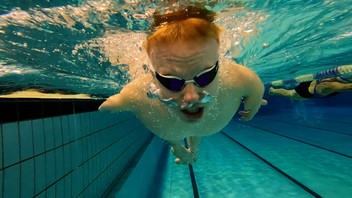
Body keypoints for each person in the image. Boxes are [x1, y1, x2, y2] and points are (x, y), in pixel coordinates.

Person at [99, 5, 266, 165]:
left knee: (192, 124)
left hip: (184, 127)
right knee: (174, 133)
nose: (191, 96)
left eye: (205, 76)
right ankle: (178, 147)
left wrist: (255, 102)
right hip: (171, 130)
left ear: (218, 65)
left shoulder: (239, 78)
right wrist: (113, 104)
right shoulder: (137, 94)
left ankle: (194, 148)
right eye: (172, 81)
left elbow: (256, 86)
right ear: (153, 77)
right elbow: (119, 100)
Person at [268, 76, 352, 100]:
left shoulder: (331, 86)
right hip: (312, 82)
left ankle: (274, 91)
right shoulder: (338, 79)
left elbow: (345, 87)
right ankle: (274, 91)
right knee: (289, 93)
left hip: (308, 91)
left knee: (289, 93)